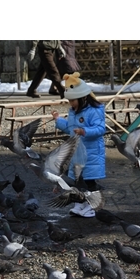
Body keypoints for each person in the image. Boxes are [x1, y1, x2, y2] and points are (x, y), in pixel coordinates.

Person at [51, 72, 106, 218]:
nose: (71, 103)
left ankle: (92, 206)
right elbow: (70, 128)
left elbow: (101, 129)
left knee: (89, 182)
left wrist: (84, 131)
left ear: (82, 98)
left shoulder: (94, 111)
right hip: (77, 153)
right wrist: (58, 120)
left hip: (91, 152)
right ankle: (80, 204)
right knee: (77, 180)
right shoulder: (74, 111)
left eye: (73, 100)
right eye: (69, 101)